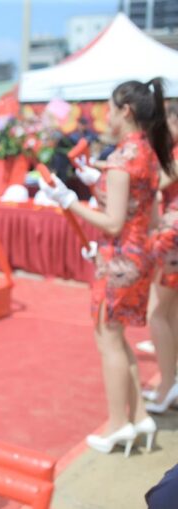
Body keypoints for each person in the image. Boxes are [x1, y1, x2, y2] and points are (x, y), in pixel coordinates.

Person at [40, 79, 173, 456]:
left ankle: (118, 425)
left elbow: (114, 223)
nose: (108, 116)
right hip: (139, 256)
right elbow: (145, 215)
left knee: (108, 340)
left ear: (125, 111)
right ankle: (140, 416)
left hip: (118, 260)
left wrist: (69, 200)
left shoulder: (121, 159)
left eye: (111, 109)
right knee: (118, 338)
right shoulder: (148, 153)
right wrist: (97, 182)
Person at [143, 103, 178, 413]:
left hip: (172, 236)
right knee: (171, 311)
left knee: (157, 312)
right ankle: (171, 381)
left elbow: (154, 184)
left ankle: (167, 385)